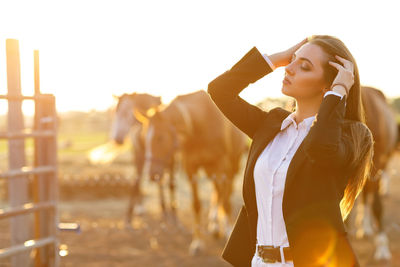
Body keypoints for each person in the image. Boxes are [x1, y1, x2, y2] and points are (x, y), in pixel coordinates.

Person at [207, 35, 374, 267]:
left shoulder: (352, 135)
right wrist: (276, 60)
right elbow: (219, 90)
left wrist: (338, 92)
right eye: (293, 61)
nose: (291, 69)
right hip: (256, 261)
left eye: (304, 67)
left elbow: (320, 148)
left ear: (328, 83)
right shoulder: (270, 125)